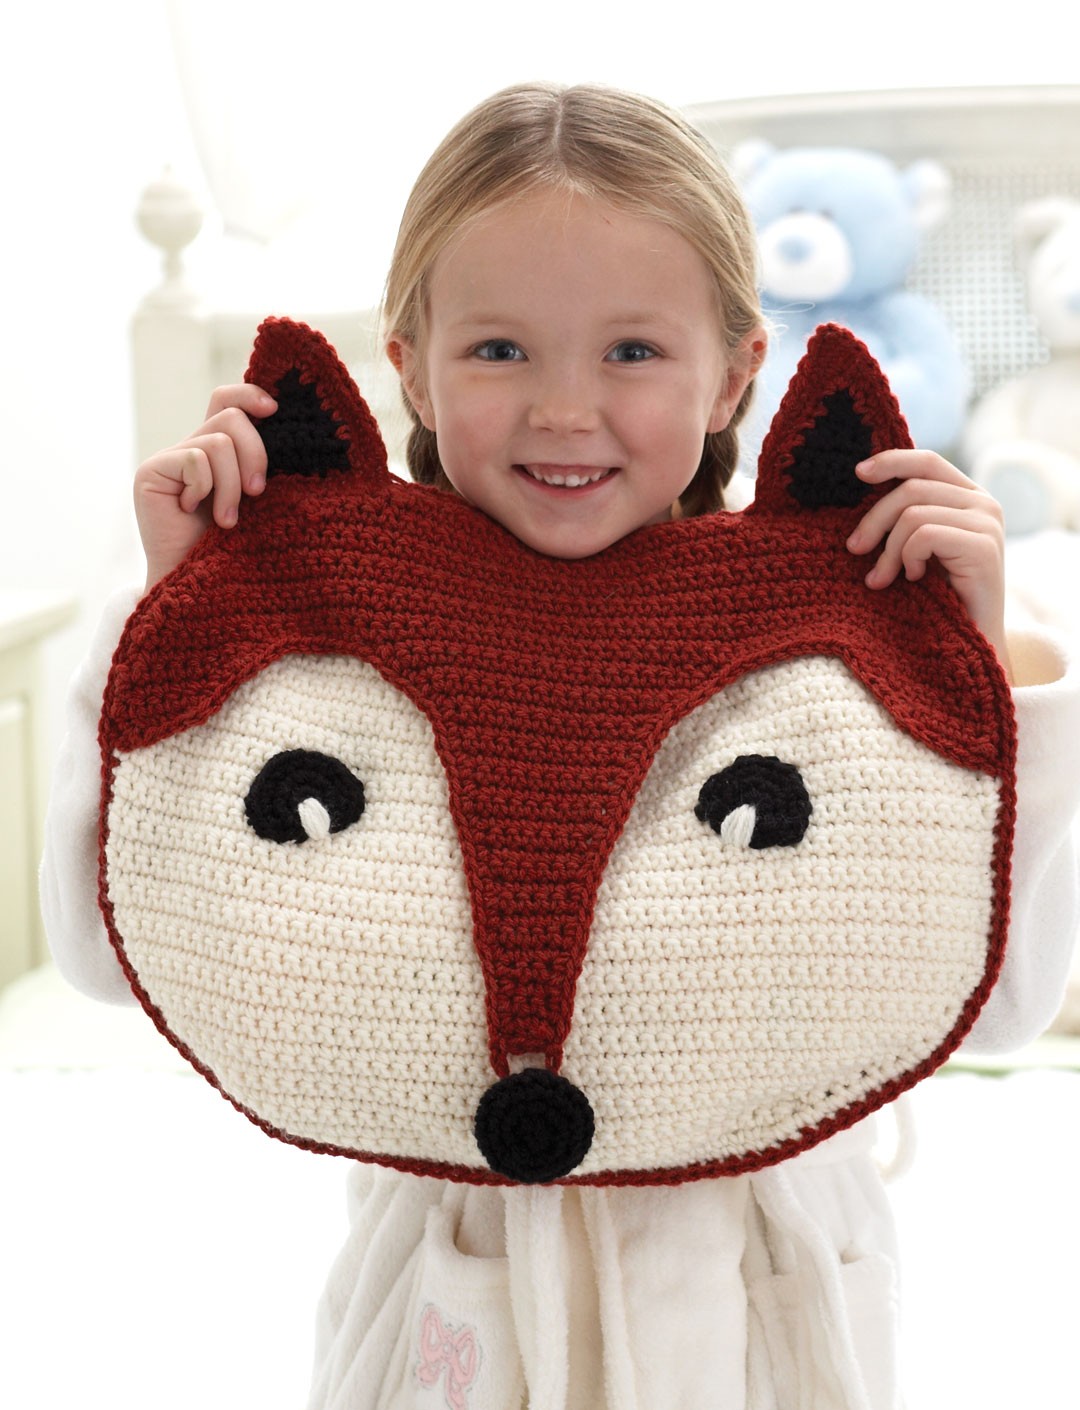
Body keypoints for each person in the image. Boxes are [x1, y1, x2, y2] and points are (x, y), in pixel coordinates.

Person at [40, 82, 1080, 1410]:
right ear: (411, 367)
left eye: (632, 350)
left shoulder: (821, 657)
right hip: (452, 1299)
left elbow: (995, 1003)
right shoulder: (334, 652)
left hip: (759, 1304)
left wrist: (976, 665)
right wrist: (172, 618)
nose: (565, 409)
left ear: (737, 373)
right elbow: (111, 958)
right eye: (501, 351)